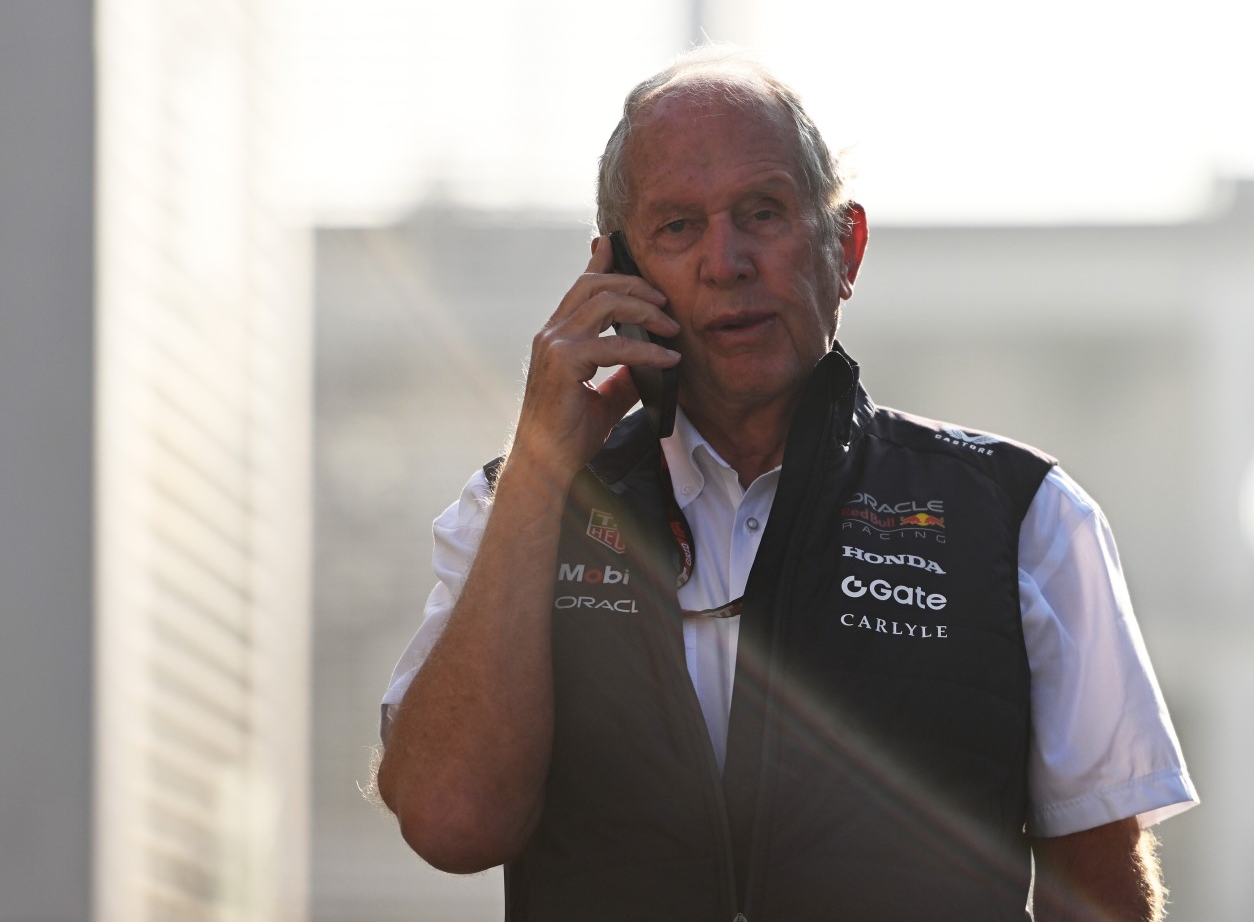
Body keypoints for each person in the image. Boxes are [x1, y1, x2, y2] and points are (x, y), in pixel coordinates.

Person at [376, 46, 1197, 922]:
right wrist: (543, 463)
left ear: (845, 248)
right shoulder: (516, 510)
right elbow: (452, 822)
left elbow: (1102, 891)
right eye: (678, 227)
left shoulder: (1023, 516)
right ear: (617, 270)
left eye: (763, 213)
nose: (725, 261)